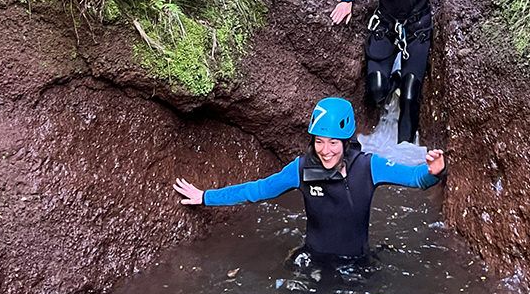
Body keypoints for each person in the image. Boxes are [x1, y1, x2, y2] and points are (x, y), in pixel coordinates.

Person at [174, 97, 445, 261]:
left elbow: (414, 178)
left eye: (333, 143)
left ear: (346, 141)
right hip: (313, 260)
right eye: (318, 141)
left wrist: (433, 172)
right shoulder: (300, 169)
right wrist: (205, 196)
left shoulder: (369, 166)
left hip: (356, 263)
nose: (325, 150)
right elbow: (257, 190)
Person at [330, 0, 474, 144]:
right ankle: (393, 79)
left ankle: (403, 149)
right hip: (386, 24)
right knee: (376, 90)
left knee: (409, 96)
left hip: (418, 27)